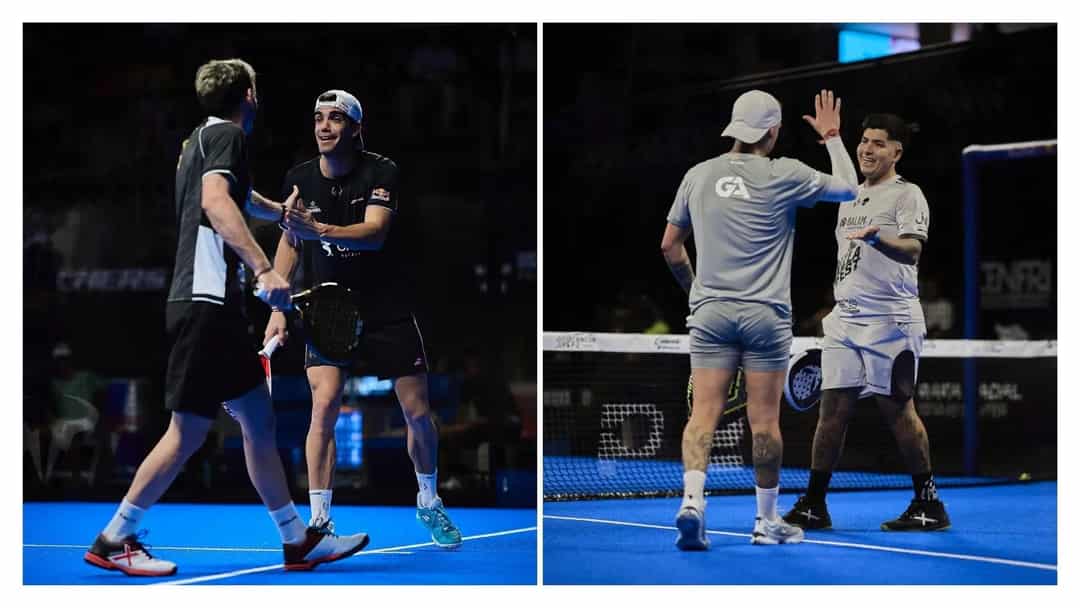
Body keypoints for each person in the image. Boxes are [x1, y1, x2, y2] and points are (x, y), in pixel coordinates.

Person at [84, 59, 370, 577]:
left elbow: (236, 198)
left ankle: (296, 540)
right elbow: (218, 203)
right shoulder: (231, 139)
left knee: (259, 421)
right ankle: (115, 537)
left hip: (213, 306)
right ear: (249, 96)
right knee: (188, 431)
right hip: (206, 304)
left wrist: (278, 213)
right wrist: (265, 269)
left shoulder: (197, 141)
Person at [264, 89, 463, 548]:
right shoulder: (298, 177)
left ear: (355, 128)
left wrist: (320, 230)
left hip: (385, 308)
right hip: (328, 310)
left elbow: (374, 234)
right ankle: (318, 522)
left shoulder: (382, 171)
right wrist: (276, 307)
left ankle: (429, 501)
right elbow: (290, 243)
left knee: (417, 414)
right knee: (325, 404)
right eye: (318, 118)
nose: (324, 126)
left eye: (335, 118)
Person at [662, 89, 858, 549]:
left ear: (734, 128)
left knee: (703, 414)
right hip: (766, 316)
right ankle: (765, 522)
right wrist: (831, 136)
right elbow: (850, 187)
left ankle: (692, 502)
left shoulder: (697, 175)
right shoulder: (784, 172)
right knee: (765, 423)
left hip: (710, 313)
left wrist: (698, 296)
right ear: (772, 132)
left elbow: (670, 246)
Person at [783, 114, 950, 532]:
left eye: (878, 143)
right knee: (832, 410)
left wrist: (880, 240)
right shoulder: (849, 196)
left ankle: (928, 502)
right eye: (863, 141)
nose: (867, 149)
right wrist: (834, 139)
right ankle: (814, 504)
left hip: (890, 321)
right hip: (845, 322)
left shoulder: (907, 195)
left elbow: (912, 250)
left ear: (897, 151)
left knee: (898, 411)